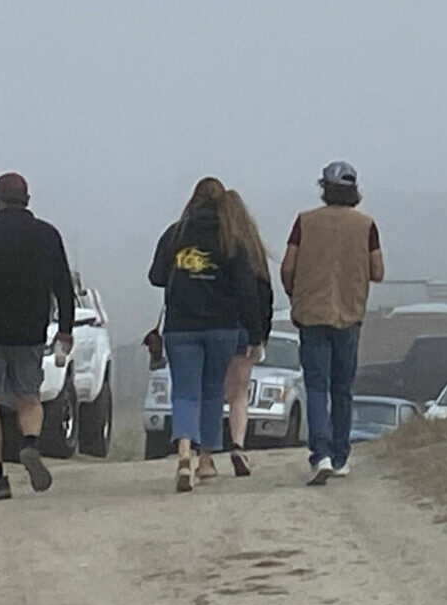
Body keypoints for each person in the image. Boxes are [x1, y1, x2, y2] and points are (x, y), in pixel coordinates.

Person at [0, 171, 75, 503]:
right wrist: (65, 329)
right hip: (30, 331)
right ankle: (31, 444)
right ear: (28, 200)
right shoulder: (47, 235)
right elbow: (63, 287)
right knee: (29, 397)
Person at [148, 177, 270, 493]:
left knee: (185, 392)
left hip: (181, 327)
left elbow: (156, 276)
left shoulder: (174, 234)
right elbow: (247, 291)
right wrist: (256, 335)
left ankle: (184, 455)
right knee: (213, 391)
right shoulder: (232, 240)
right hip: (223, 328)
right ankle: (206, 460)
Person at [281, 160, 384, 486]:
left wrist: (296, 292)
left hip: (311, 314)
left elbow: (287, 266)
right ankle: (340, 457)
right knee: (343, 389)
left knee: (316, 387)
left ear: (325, 188)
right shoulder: (366, 225)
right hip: (350, 315)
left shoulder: (305, 222)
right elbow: (378, 271)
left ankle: (320, 454)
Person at [218, 191, 276, 477]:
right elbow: (265, 294)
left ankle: (203, 448)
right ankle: (238, 445)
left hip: (216, 324)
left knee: (210, 391)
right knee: (239, 393)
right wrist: (260, 334)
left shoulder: (217, 247)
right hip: (245, 329)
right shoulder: (253, 248)